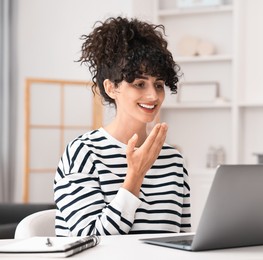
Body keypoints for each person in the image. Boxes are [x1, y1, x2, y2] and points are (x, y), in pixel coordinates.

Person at [53, 17, 191, 236]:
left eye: (159, 84)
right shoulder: (83, 153)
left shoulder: (174, 160)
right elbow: (92, 242)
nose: (153, 95)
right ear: (111, 88)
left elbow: (182, 239)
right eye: (139, 84)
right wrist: (135, 175)